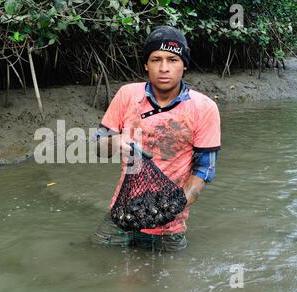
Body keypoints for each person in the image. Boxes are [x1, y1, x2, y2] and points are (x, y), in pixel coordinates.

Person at [92, 26, 221, 252]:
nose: (164, 68)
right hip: (122, 213)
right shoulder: (127, 95)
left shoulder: (205, 108)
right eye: (155, 59)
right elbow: (98, 148)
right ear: (145, 65)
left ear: (185, 65)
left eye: (172, 59)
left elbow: (203, 171)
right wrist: (114, 142)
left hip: (169, 223)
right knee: (97, 259)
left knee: (168, 282)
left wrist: (168, 210)